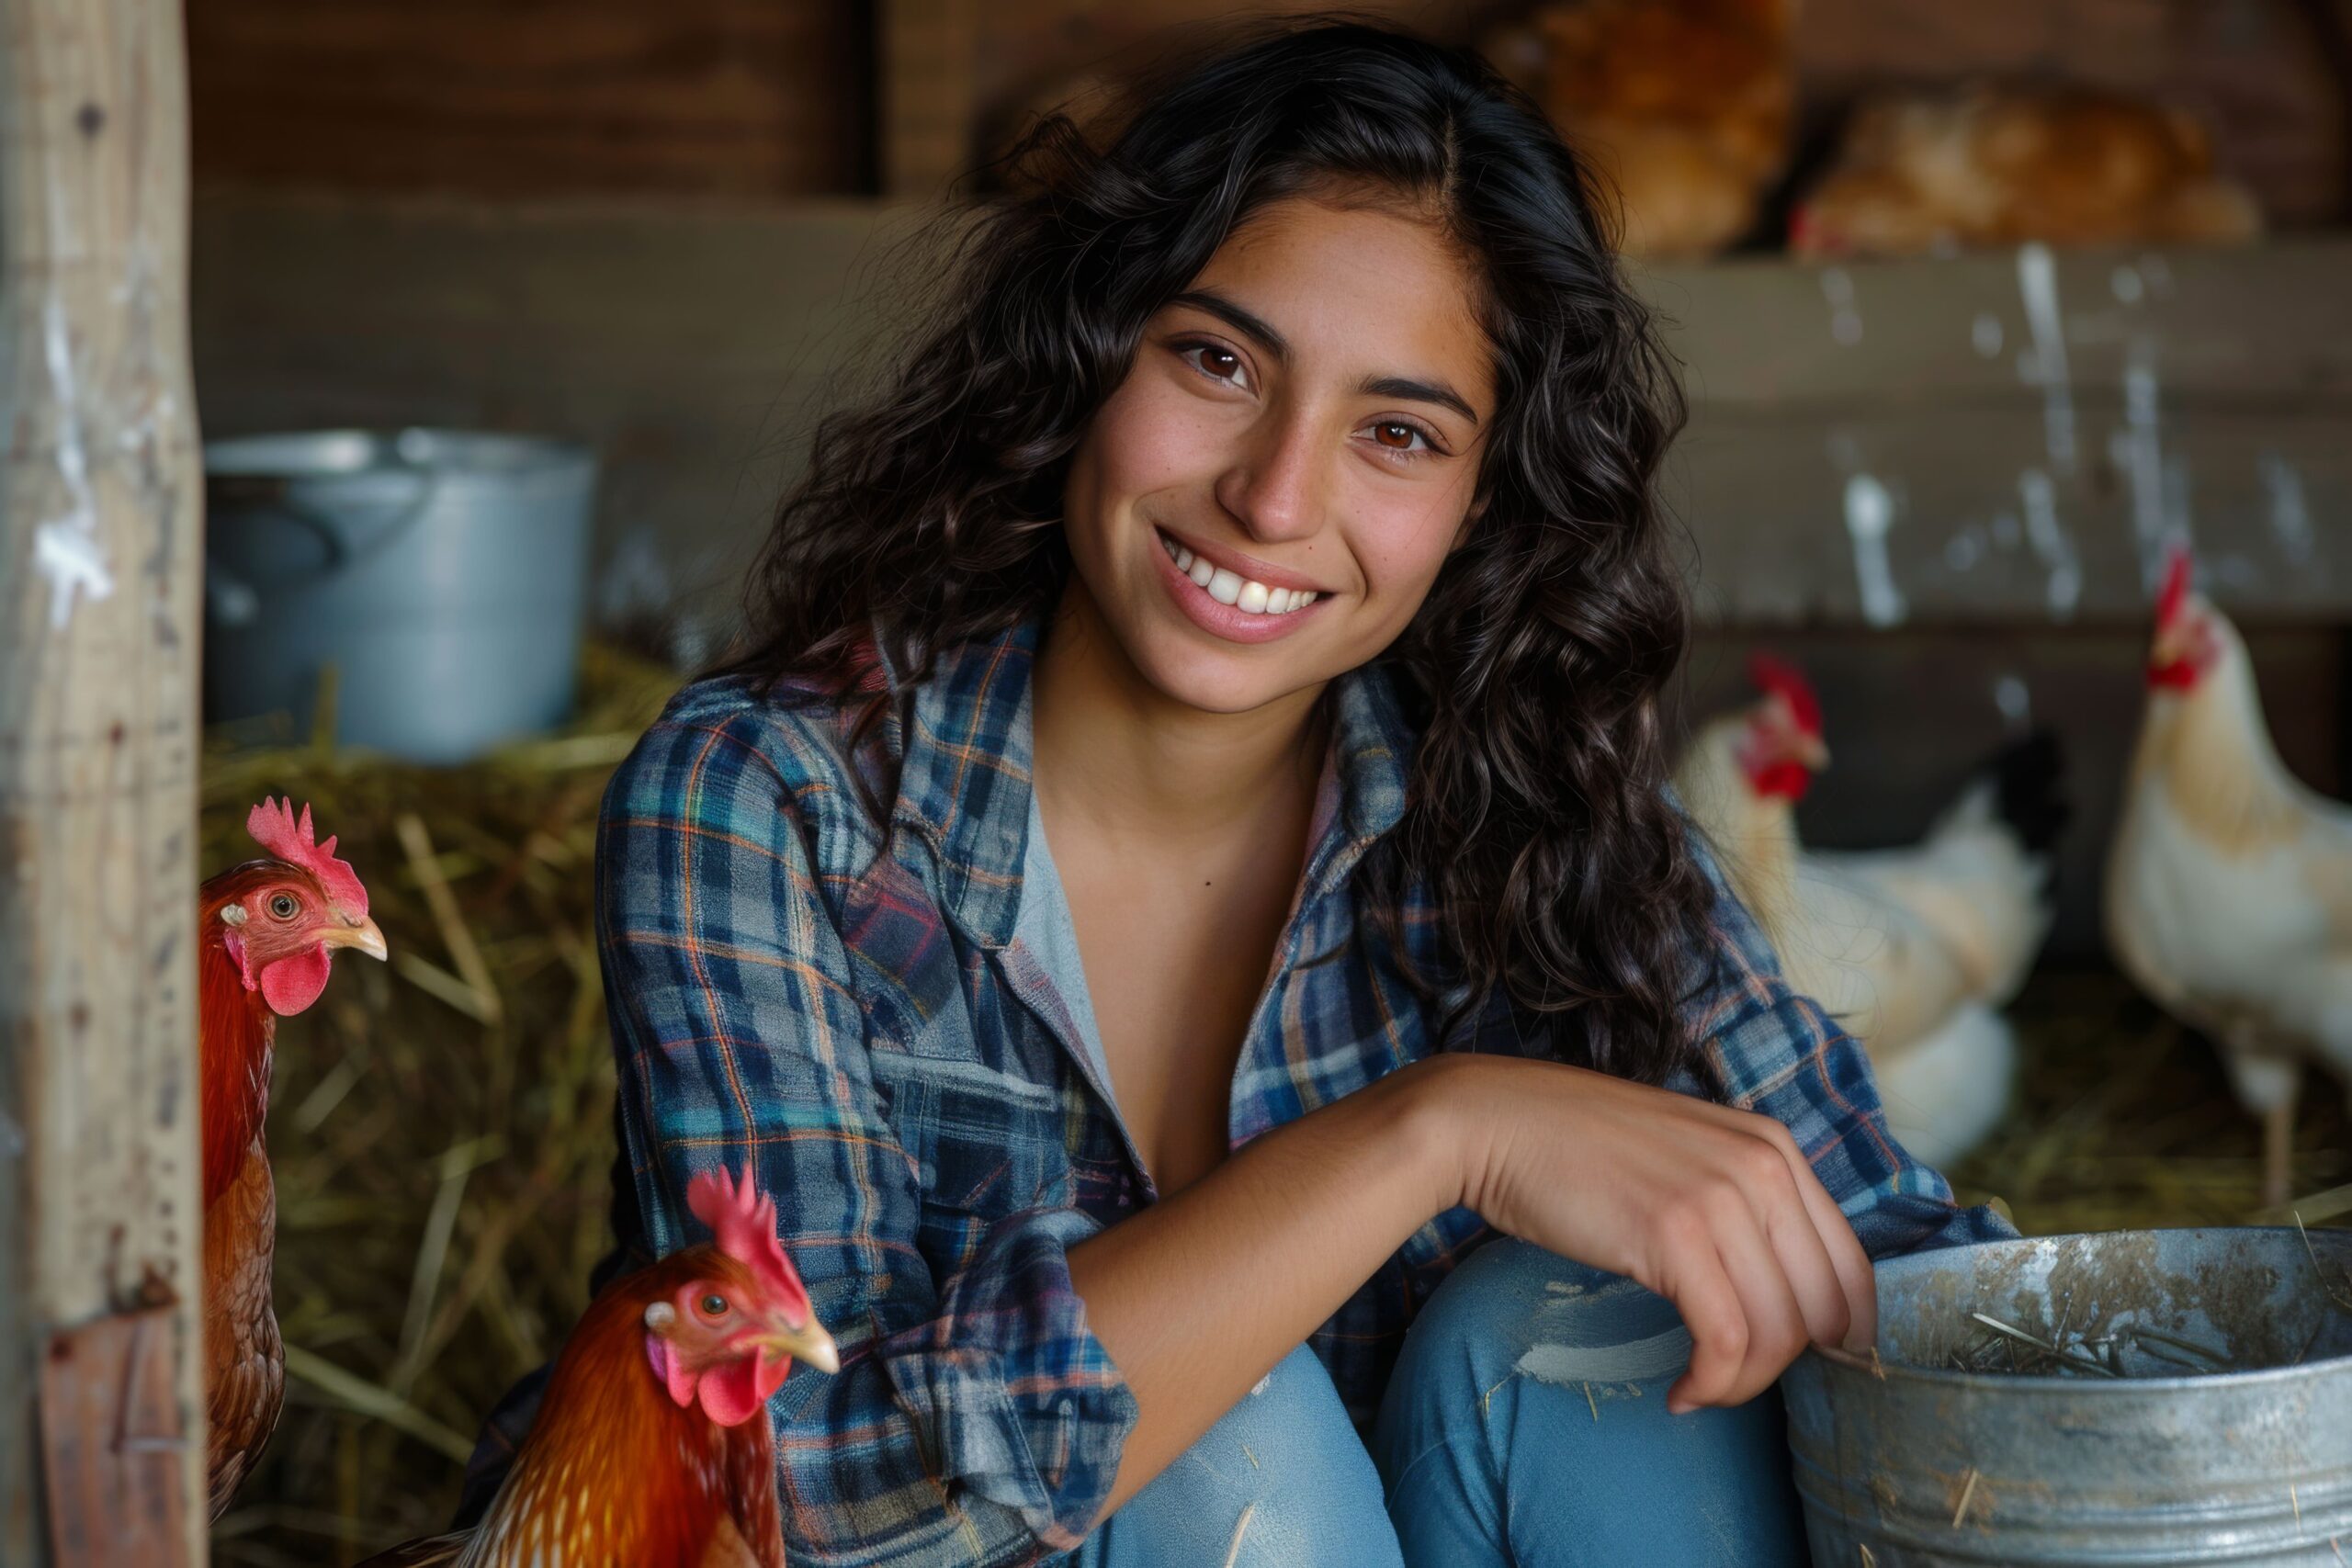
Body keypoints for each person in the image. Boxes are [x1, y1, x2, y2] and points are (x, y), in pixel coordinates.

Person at [463, 20, 2010, 1566]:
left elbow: (1933, 1298)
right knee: (1211, 1423)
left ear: (1485, 506)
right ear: (1085, 351)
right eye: (1217, 362)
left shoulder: (1546, 823)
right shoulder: (771, 799)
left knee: (1583, 1333)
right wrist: (1435, 1133)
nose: (1276, 499)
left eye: (1397, 434)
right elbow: (793, 1493)